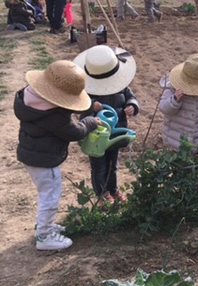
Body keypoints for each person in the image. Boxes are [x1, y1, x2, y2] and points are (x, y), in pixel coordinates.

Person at [14, 60, 102, 250]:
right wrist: (89, 122)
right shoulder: (54, 115)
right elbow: (75, 132)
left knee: (45, 192)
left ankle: (44, 227)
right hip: (44, 160)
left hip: (31, 154)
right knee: (50, 196)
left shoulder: (29, 98)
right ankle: (45, 237)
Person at [73, 45, 139, 204]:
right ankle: (102, 193)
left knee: (113, 165)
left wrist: (132, 106)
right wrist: (92, 105)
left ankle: (114, 189)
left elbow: (131, 97)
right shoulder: (86, 89)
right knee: (99, 166)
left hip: (115, 133)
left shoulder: (122, 86)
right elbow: (77, 104)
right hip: (95, 136)